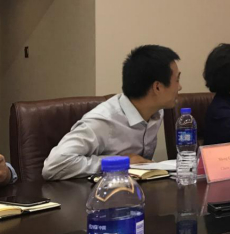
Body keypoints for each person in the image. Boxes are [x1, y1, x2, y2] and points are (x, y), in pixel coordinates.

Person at [42, 45, 181, 180]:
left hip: (134, 189)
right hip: (98, 192)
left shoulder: (156, 112)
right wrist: (119, 162)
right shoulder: (103, 121)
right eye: (177, 80)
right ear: (157, 87)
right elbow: (54, 165)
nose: (180, 87)